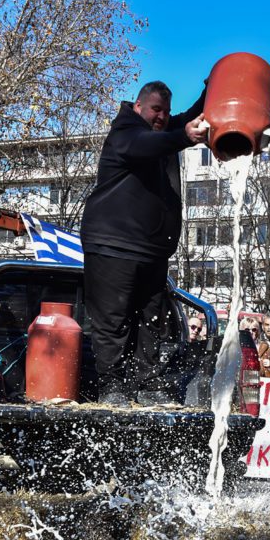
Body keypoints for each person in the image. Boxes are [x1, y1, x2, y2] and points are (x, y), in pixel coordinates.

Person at [80, 80, 207, 406]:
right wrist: (182, 137)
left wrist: (212, 89)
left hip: (151, 249)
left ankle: (147, 382)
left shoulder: (161, 130)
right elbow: (148, 144)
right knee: (114, 320)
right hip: (113, 244)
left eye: (165, 111)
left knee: (152, 320)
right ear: (139, 107)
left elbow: (190, 117)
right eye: (155, 110)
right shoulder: (126, 132)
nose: (162, 117)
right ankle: (114, 387)